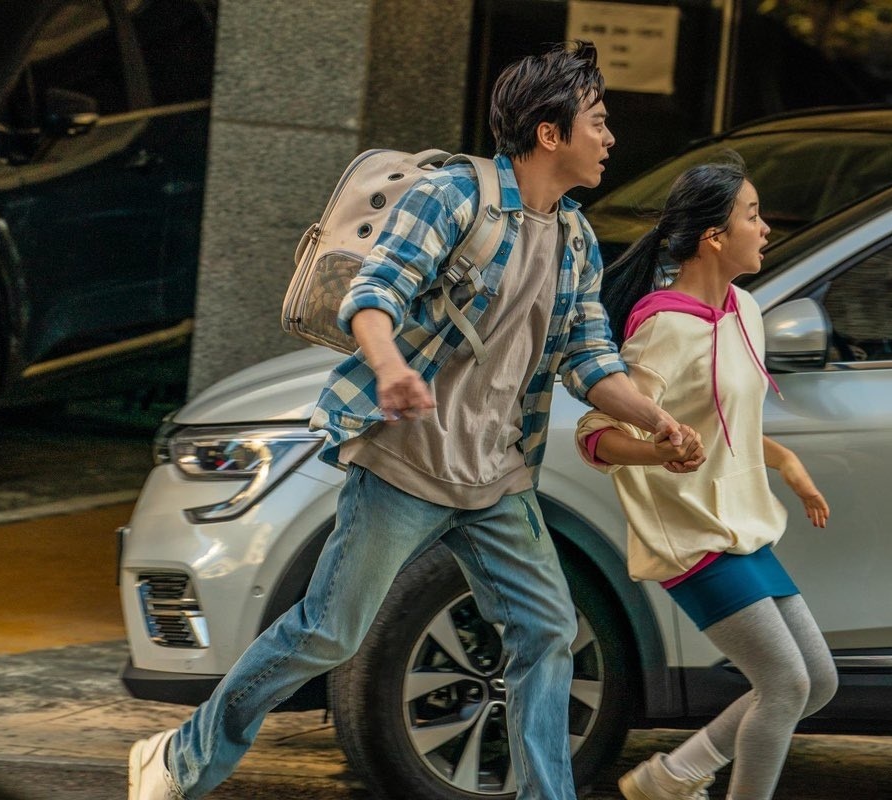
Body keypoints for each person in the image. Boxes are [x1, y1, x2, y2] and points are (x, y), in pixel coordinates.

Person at [128, 40, 696, 800]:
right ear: (549, 132)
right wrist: (391, 366)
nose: (610, 137)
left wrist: (657, 420)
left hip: (496, 478)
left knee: (548, 630)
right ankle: (179, 760)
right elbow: (373, 294)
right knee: (329, 631)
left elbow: (589, 359)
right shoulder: (455, 198)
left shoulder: (574, 239)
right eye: (597, 120)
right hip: (405, 463)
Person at [576, 160, 839, 800]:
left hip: (742, 525)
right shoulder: (663, 328)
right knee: (785, 685)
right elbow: (595, 432)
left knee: (817, 681)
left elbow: (729, 425)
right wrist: (655, 452)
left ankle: (672, 775)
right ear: (715, 237)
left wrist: (786, 463)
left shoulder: (744, 309)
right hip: (690, 534)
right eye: (753, 215)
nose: (766, 228)